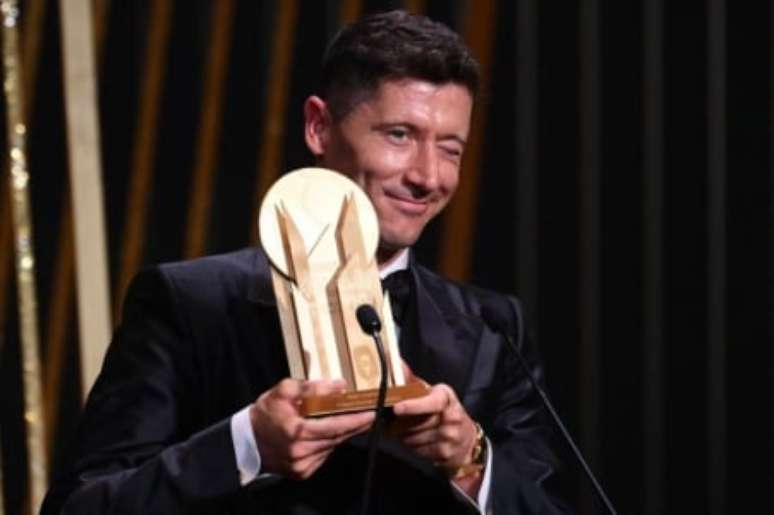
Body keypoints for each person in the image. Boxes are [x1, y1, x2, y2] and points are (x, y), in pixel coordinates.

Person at [41, 10, 569, 515]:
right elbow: (79, 506)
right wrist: (245, 446)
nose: (428, 176)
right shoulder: (189, 304)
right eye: (400, 136)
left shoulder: (492, 330)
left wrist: (470, 461)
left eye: (450, 148)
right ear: (318, 126)